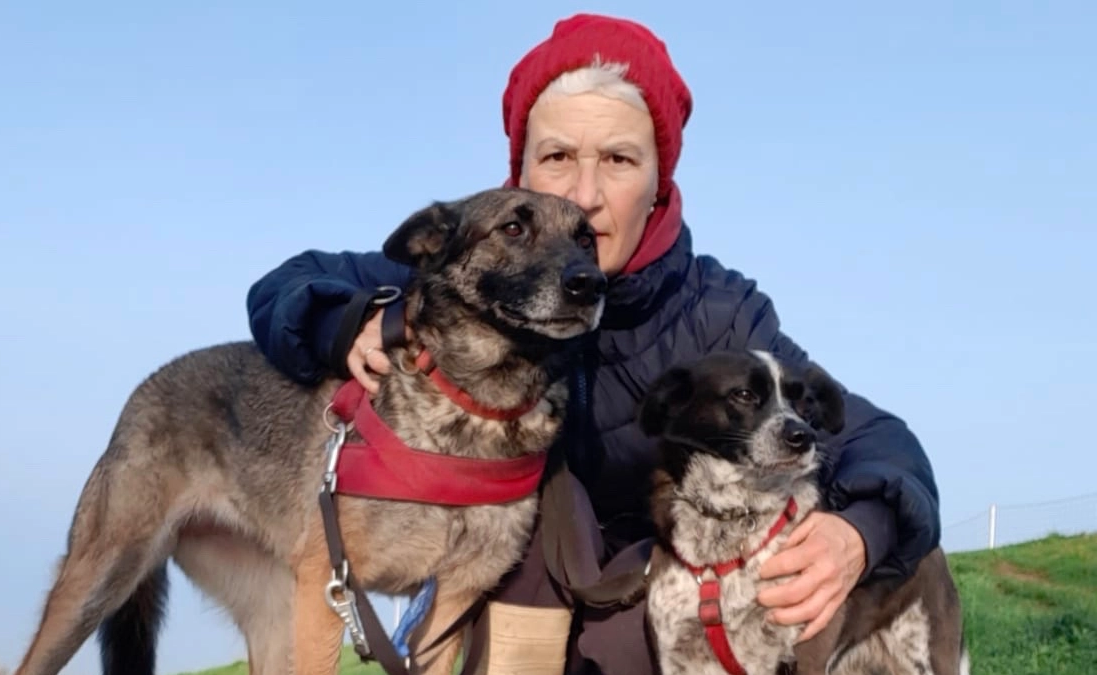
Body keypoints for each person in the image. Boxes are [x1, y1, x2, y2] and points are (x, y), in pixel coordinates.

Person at [245, 13, 940, 675]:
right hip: (509, 593)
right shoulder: (464, 264)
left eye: (618, 159)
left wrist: (859, 534)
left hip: (637, 610)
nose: (585, 193)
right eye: (556, 156)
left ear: (658, 184)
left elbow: (876, 440)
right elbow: (289, 282)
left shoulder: (720, 318)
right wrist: (345, 320)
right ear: (520, 172)